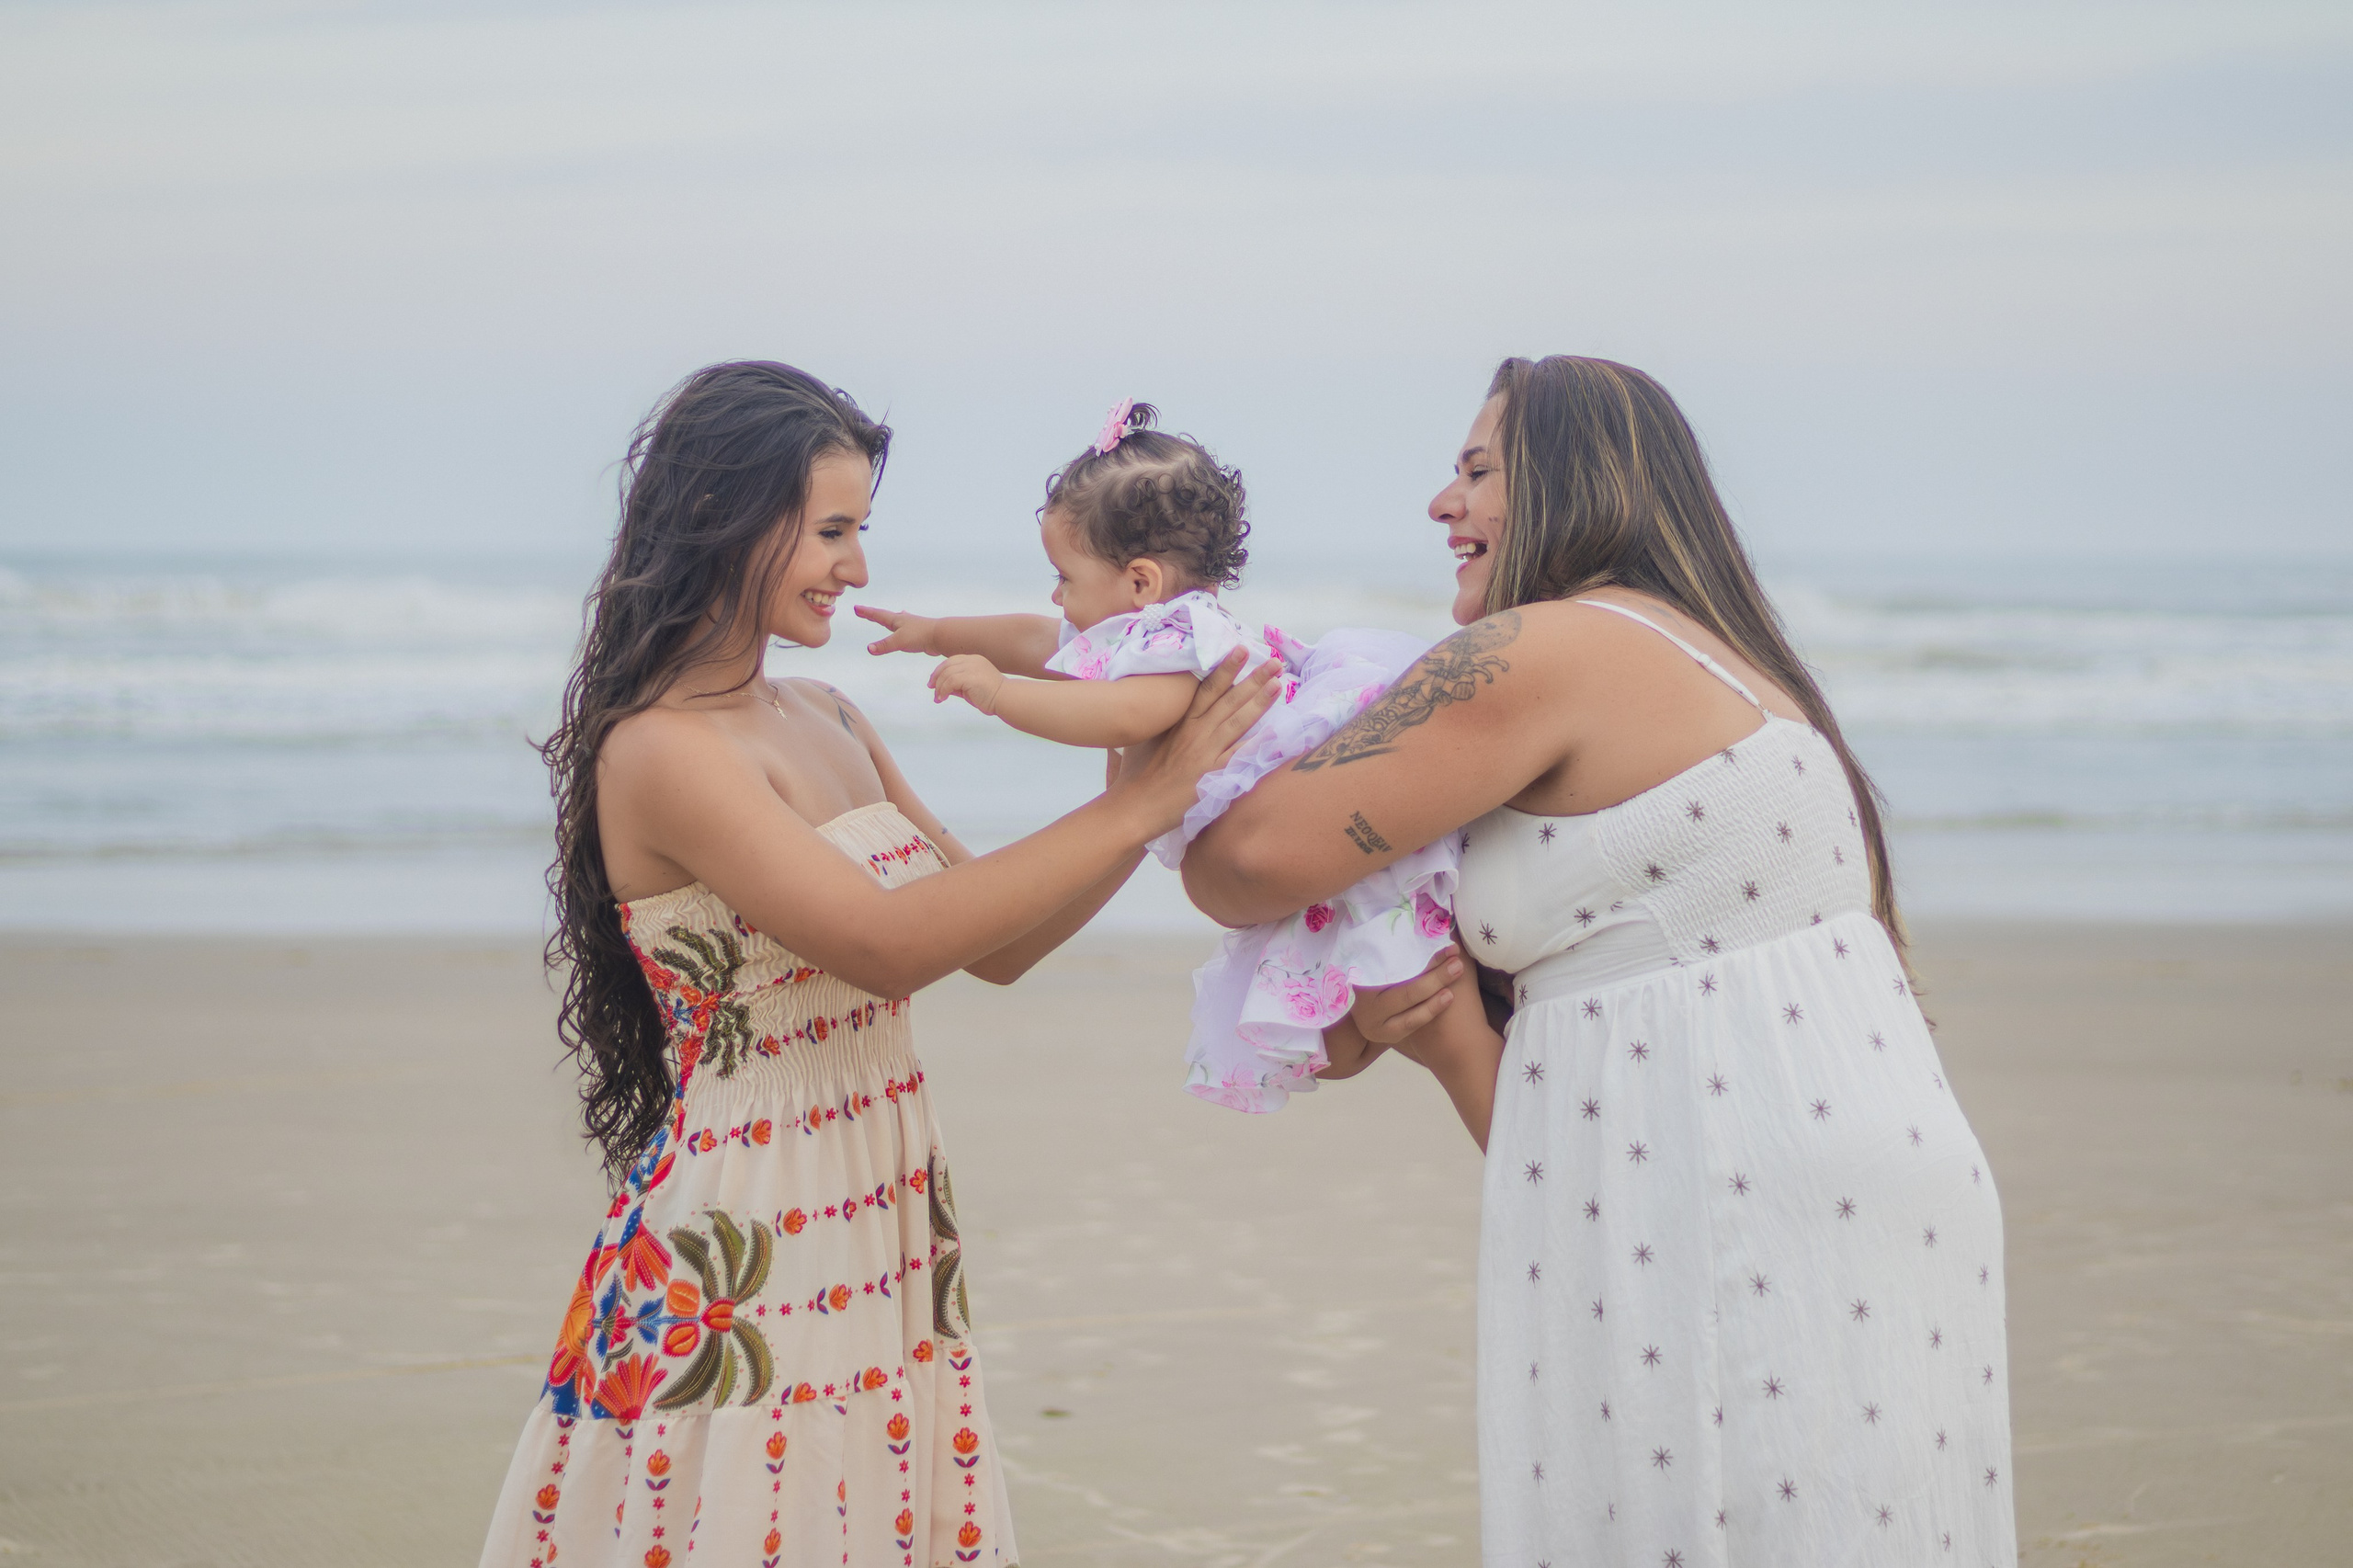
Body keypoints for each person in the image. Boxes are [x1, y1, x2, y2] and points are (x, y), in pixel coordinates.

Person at [1182, 357, 2017, 1565]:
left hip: (1745, 1212)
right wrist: (1449, 1038)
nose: (1441, 503)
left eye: (1477, 470)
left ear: (1572, 483)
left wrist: (1158, 751)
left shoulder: (1547, 650)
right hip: (1826, 1190)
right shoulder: (1729, 661)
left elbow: (1248, 860)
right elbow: (1594, 1116)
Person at [475, 361, 1278, 1568]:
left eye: (861, 531)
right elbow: (884, 941)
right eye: (833, 530)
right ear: (726, 519)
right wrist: (1136, 806)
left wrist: (1146, 782)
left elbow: (996, 943)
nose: (857, 568)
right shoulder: (659, 750)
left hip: (882, 1190)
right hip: (746, 1220)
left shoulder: (832, 716)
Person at [857, 398, 1451, 1113]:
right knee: (1347, 1026)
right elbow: (1038, 639)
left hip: (1295, 824)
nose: (1056, 596)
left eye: (1065, 578)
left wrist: (1000, 695)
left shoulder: (1177, 641)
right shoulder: (1151, 629)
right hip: (1290, 833)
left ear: (1140, 581)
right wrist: (937, 632)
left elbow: (1122, 714)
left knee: (1393, 999)